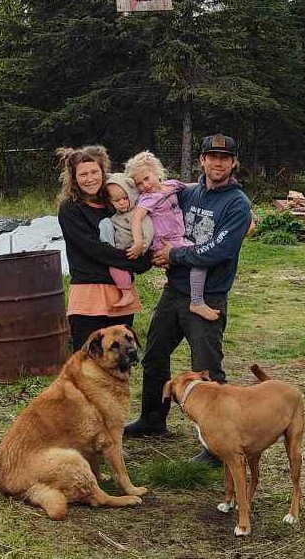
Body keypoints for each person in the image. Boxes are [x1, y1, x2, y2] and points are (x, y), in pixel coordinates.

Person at [123, 134, 252, 467]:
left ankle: (218, 446)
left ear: (234, 163)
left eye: (225, 158)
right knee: (154, 355)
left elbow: (220, 250)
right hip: (174, 290)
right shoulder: (187, 192)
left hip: (208, 295)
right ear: (202, 161)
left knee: (206, 369)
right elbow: (151, 206)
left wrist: (174, 254)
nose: (218, 163)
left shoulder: (237, 204)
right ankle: (152, 418)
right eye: (212, 156)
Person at [56, 146, 153, 351]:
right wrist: (138, 261)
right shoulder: (70, 209)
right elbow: (94, 250)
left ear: (103, 172)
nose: (90, 179)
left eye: (94, 172)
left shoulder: (115, 204)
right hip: (88, 296)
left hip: (121, 294)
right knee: (88, 361)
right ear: (74, 178)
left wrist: (147, 256)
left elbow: (137, 234)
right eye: (83, 174)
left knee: (121, 359)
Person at [124, 150, 219, 321]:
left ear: (156, 172)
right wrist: (138, 243)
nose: (144, 185)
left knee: (199, 257)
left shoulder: (172, 186)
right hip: (164, 241)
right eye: (139, 184)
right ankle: (197, 302)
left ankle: (187, 295)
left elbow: (193, 187)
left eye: (146, 178)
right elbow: (136, 218)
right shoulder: (148, 198)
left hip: (179, 238)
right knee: (200, 259)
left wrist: (216, 191)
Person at [99, 173, 154, 309]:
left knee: (117, 266)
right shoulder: (114, 218)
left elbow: (148, 230)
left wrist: (142, 247)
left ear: (132, 194)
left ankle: (127, 292)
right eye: (116, 200)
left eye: (125, 198)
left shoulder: (138, 213)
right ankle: (125, 291)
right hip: (119, 250)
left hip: (134, 250)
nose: (122, 202)